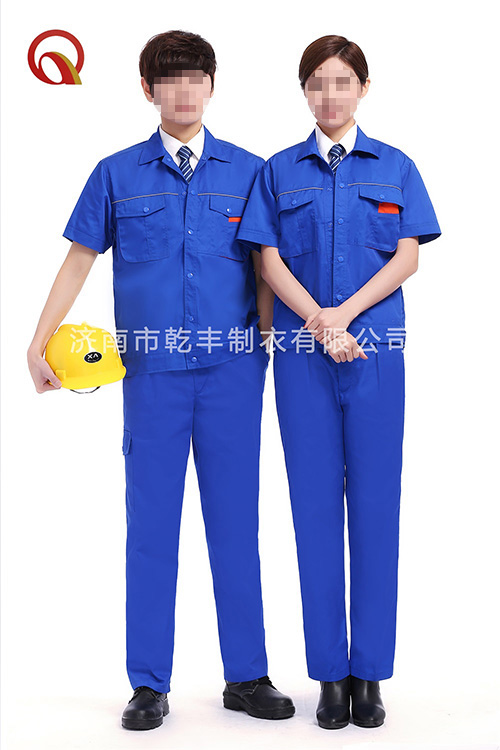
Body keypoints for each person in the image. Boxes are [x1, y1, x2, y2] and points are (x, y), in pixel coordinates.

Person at [27, 30, 293, 730]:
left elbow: (267, 268)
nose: (184, 91)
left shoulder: (250, 172)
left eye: (195, 77)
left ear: (212, 86)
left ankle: (247, 675)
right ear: (148, 90)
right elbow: (79, 260)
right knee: (151, 530)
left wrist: (268, 346)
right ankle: (149, 683)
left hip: (233, 372)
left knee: (235, 525)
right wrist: (38, 340)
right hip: (152, 378)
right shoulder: (116, 173)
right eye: (169, 79)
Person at [237, 34, 441, 730]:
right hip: (302, 359)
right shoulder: (277, 171)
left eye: (342, 82)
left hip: (375, 355)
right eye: (317, 83)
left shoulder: (397, 166)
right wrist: (319, 326)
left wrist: (343, 316)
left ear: (363, 88)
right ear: (304, 91)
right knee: (314, 511)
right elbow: (267, 262)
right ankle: (329, 674)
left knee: (377, 510)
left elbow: (407, 257)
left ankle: (369, 674)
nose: (329, 95)